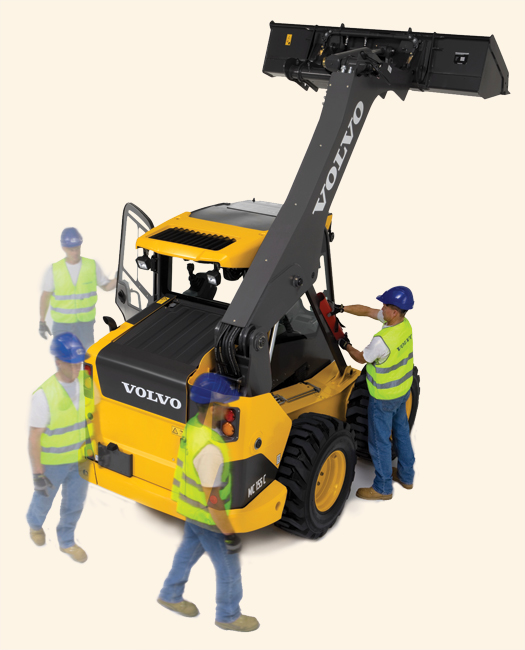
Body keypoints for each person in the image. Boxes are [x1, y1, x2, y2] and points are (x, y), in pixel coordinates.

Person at [157, 373, 259, 633]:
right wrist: (229, 533)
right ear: (213, 408)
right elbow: (213, 500)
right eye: (224, 404)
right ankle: (228, 615)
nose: (228, 409)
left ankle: (170, 594)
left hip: (191, 508)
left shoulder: (193, 426)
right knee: (229, 568)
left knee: (187, 552)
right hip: (207, 516)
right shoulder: (211, 449)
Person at [335, 286, 415, 500]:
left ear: (394, 312)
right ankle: (406, 476)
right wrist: (341, 308)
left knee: (379, 441)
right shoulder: (404, 325)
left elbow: (361, 358)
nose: (381, 308)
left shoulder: (381, 341)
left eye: (385, 305)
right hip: (402, 392)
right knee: (401, 433)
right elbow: (368, 311)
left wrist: (345, 344)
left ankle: (383, 487)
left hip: (383, 399)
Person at [27, 332, 93, 562]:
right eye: (71, 364)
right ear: (58, 361)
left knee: (74, 503)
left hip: (80, 459)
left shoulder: (86, 382)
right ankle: (35, 525)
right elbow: (34, 437)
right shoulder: (44, 395)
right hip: (53, 463)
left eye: (79, 363)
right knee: (44, 499)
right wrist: (37, 473)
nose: (76, 368)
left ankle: (67, 541)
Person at [39, 227, 117, 350]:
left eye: (77, 248)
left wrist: (118, 279)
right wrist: (42, 321)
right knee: (64, 358)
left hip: (85, 325)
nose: (75, 252)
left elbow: (106, 287)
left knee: (86, 356)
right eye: (71, 249)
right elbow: (45, 296)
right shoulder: (55, 270)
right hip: (62, 325)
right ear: (64, 248)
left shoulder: (91, 265)